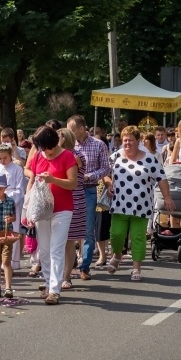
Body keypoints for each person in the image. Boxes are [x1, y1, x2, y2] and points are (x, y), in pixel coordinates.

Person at [106, 126, 175, 281]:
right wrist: (109, 184)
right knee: (116, 234)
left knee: (138, 237)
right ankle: (117, 255)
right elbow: (105, 174)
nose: (127, 143)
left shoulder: (149, 159)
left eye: (131, 140)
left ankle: (136, 267)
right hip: (119, 204)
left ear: (138, 141)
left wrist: (168, 197)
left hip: (141, 205)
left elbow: (162, 178)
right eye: (124, 140)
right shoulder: (116, 156)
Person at [23, 125, 78, 305]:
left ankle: (55, 289)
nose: (43, 151)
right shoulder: (39, 155)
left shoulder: (67, 156)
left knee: (56, 249)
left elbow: (72, 184)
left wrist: (53, 179)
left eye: (45, 147)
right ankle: (47, 282)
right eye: (40, 147)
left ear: (53, 144)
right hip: (42, 208)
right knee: (44, 249)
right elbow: (31, 177)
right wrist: (27, 208)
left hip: (62, 209)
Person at [67, 114, 110, 279]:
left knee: (87, 230)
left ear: (81, 128)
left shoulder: (98, 145)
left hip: (89, 190)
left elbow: (105, 169)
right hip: (70, 190)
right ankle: (69, 265)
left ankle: (84, 267)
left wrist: (87, 176)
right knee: (69, 229)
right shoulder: (69, 147)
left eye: (71, 130)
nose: (69, 134)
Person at [58, 128, 86, 289]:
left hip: (74, 199)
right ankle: (58, 274)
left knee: (69, 241)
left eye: (58, 137)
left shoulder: (75, 156)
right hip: (60, 200)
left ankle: (66, 276)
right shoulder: (57, 156)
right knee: (58, 242)